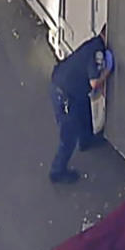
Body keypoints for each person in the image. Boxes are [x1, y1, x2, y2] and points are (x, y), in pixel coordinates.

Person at [48, 26, 113, 184]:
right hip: (65, 94)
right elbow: (94, 82)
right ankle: (57, 171)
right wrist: (107, 72)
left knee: (84, 110)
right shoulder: (98, 51)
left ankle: (86, 140)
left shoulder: (93, 43)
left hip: (66, 85)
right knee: (68, 135)